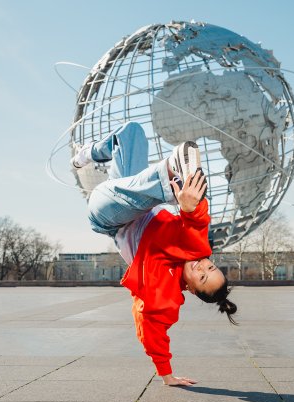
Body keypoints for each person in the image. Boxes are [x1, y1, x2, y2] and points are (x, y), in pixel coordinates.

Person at [71, 122, 237, 386]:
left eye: (202, 278)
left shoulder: (165, 295)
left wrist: (166, 375)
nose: (202, 268)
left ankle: (171, 178)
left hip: (109, 215)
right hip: (129, 190)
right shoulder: (197, 249)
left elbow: (151, 331)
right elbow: (197, 223)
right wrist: (192, 207)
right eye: (211, 268)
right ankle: (85, 155)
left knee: (142, 195)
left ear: (192, 289)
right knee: (131, 133)